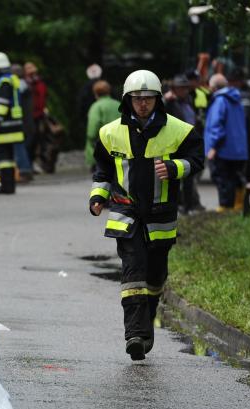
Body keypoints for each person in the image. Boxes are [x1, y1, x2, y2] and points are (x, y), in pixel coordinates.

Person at [88, 69, 203, 361]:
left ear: (157, 100)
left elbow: (196, 160)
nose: (142, 104)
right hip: (125, 214)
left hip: (160, 217)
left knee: (155, 276)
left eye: (148, 99)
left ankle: (148, 319)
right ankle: (135, 335)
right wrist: (98, 197)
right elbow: (102, 170)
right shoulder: (109, 133)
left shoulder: (179, 130)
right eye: (137, 99)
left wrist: (175, 168)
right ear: (127, 100)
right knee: (133, 273)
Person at [204, 73, 248, 212]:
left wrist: (213, 147)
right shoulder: (237, 99)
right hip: (238, 150)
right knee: (236, 178)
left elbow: (216, 125)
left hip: (223, 149)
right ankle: (238, 205)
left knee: (222, 179)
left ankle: (225, 207)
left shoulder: (220, 101)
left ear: (213, 87)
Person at [163, 74, 203, 213]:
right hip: (175, 144)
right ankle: (176, 206)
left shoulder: (188, 101)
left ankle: (188, 206)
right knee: (174, 176)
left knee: (189, 175)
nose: (184, 91)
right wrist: (164, 100)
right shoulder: (169, 102)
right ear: (174, 89)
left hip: (189, 143)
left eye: (185, 88)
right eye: (180, 88)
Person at [0, 52, 24, 194]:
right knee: (8, 158)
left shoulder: (3, 82)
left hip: (3, 127)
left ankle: (6, 186)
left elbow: (2, 104)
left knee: (3, 158)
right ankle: (9, 185)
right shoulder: (11, 80)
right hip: (11, 126)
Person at [84, 80, 120, 171]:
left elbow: (92, 130)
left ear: (95, 93)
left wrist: (91, 138)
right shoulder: (118, 104)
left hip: (102, 147)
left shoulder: (96, 106)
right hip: (119, 145)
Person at [10, 64, 34, 182]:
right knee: (23, 146)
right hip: (28, 121)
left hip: (22, 122)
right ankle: (25, 170)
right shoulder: (26, 85)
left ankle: (24, 171)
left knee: (19, 147)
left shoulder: (18, 87)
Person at [24, 62, 47, 169]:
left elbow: (42, 97)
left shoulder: (39, 83)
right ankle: (29, 162)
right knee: (30, 140)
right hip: (29, 115)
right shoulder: (25, 84)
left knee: (38, 139)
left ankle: (34, 161)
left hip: (38, 115)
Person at [77, 64, 103, 140]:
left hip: (89, 118)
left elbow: (80, 106)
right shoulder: (107, 86)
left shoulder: (84, 88)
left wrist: (82, 119)